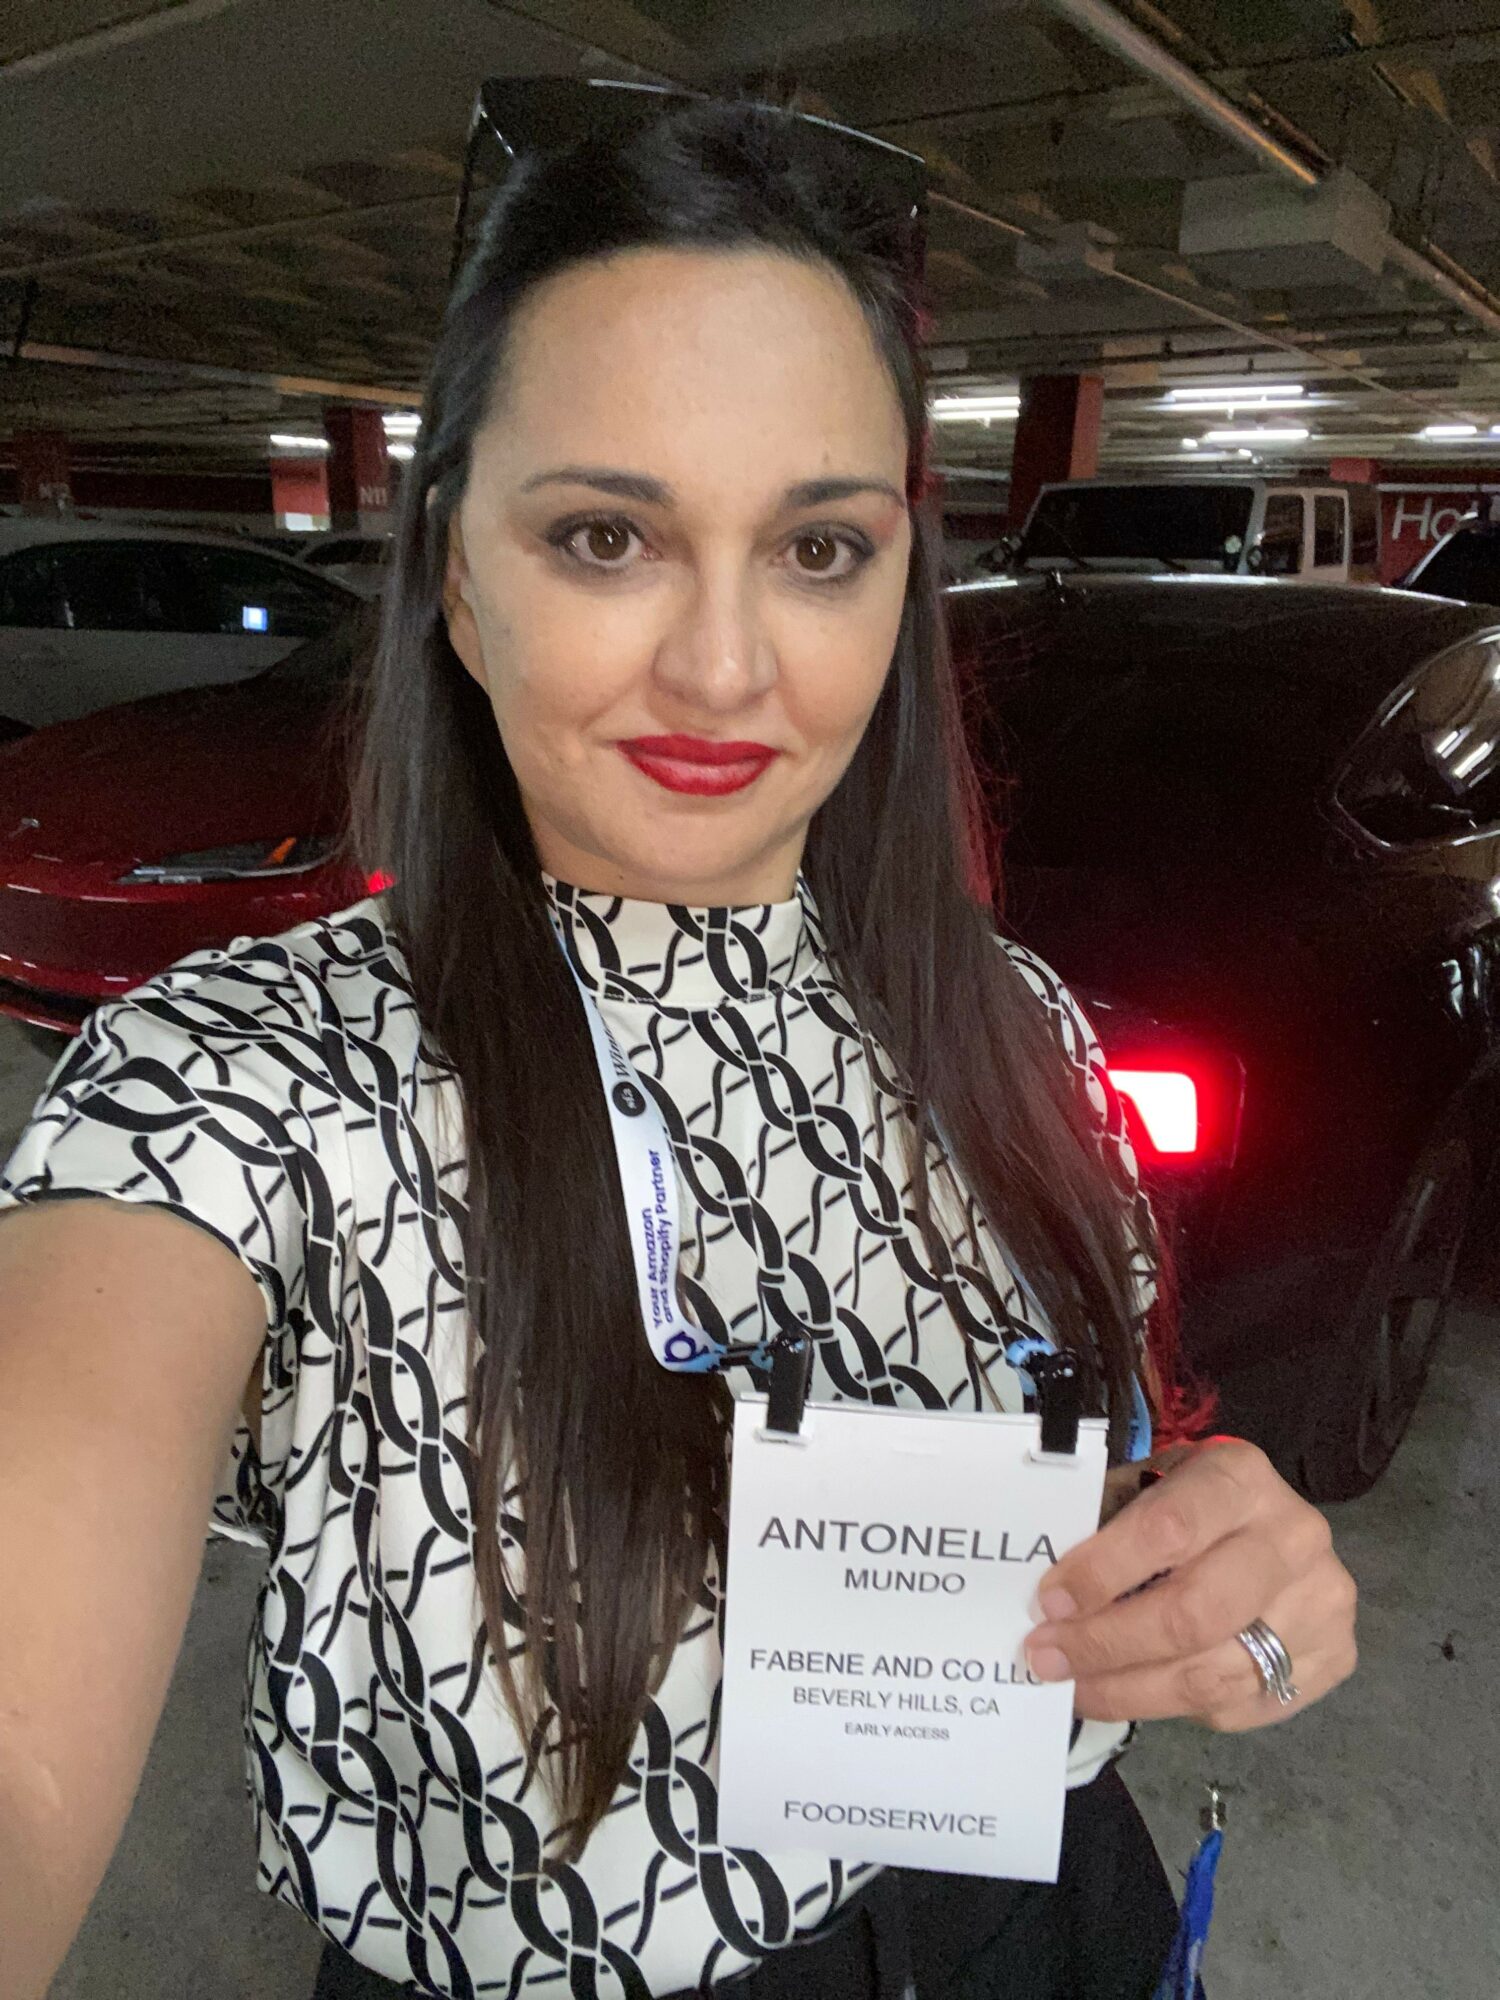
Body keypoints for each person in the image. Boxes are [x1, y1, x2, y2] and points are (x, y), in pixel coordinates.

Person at [0, 82, 1356, 2000]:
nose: (725, 666)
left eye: (816, 551)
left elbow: (1103, 1464)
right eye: (606, 537)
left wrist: (1215, 1567)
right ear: (457, 578)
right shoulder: (246, 1094)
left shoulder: (1013, 1024)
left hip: (1056, 1917)